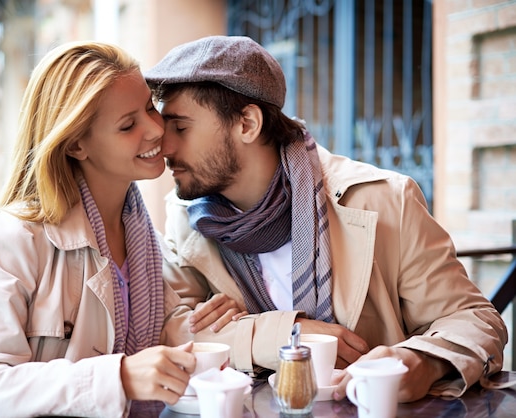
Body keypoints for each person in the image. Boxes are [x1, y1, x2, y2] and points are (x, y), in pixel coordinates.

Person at [144, 35, 508, 403]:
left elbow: (475, 318)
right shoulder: (184, 218)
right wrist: (284, 333)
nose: (164, 147)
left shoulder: (383, 200)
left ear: (247, 124)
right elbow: (172, 332)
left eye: (181, 128)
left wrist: (424, 362)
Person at [0, 40, 197, 418]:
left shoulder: (144, 239)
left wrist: (269, 332)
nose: (155, 129)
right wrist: (119, 378)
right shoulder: (15, 238)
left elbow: (176, 331)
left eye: (149, 108)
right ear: (77, 144)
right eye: (128, 124)